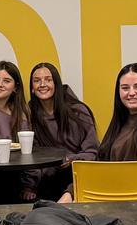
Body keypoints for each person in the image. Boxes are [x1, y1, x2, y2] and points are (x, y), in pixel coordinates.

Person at [28, 61, 98, 201]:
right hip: (45, 180)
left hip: (76, 175)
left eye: (48, 80)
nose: (42, 84)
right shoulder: (29, 114)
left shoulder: (77, 111)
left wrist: (73, 159)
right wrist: (29, 185)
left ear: (57, 84)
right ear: (32, 89)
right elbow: (29, 155)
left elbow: (93, 152)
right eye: (37, 81)